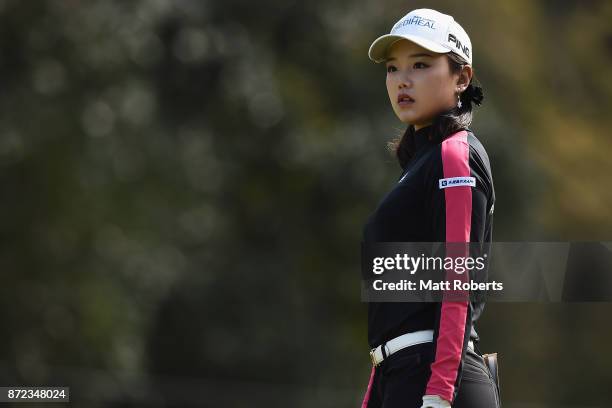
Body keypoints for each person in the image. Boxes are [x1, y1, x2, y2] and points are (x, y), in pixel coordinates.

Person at [360, 8, 500, 408]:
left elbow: (458, 282)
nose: (402, 80)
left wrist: (439, 393)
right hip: (402, 376)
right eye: (392, 68)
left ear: (462, 78)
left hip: (437, 380)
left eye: (420, 64)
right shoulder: (420, 165)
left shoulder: (456, 156)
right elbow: (396, 311)